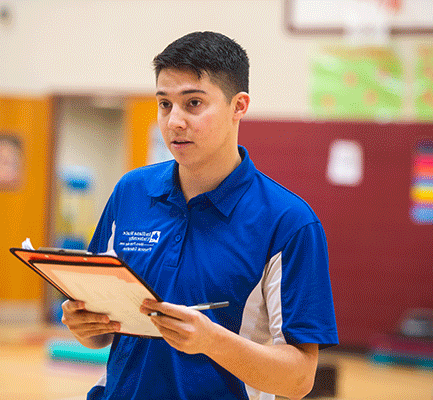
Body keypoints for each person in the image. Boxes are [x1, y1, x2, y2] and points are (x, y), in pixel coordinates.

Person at [61, 31, 338, 400]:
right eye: (164, 104)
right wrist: (85, 325)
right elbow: (102, 331)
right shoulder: (130, 192)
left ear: (239, 106)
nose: (174, 121)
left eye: (193, 103)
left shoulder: (289, 222)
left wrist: (211, 341)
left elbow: (299, 379)